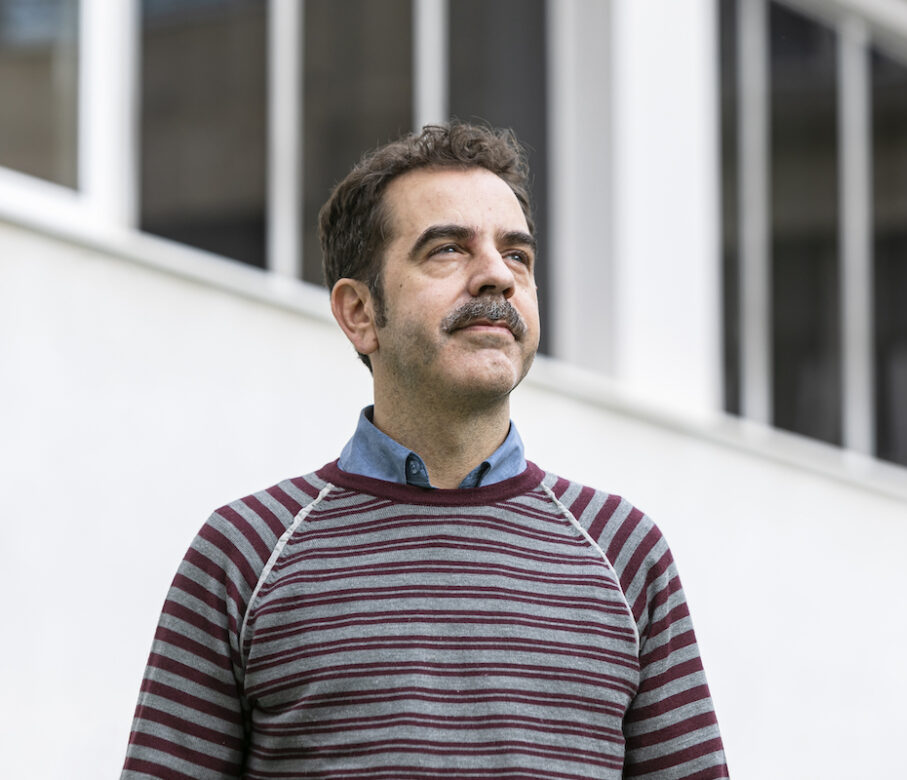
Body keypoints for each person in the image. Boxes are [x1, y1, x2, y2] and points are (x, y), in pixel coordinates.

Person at [122, 122, 729, 779]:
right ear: (359, 312)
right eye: (447, 250)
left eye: (517, 256)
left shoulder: (624, 553)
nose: (497, 276)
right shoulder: (245, 553)